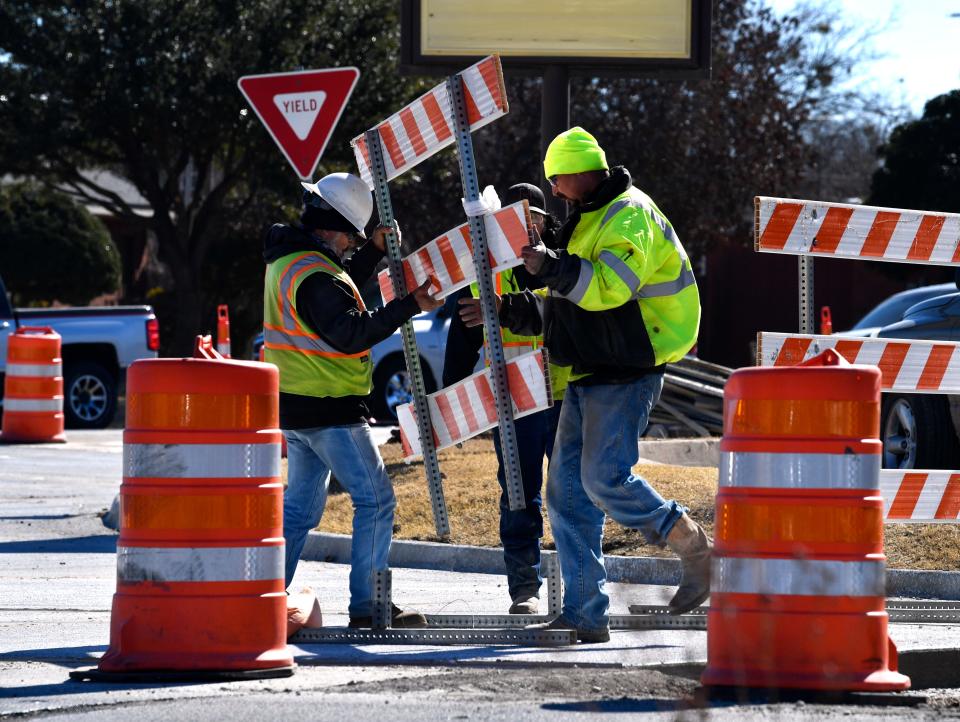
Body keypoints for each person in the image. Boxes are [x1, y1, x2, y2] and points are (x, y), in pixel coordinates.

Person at [459, 128, 709, 643]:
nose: (552, 189)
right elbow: (567, 309)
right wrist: (512, 307)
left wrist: (551, 265)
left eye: (556, 178)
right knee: (567, 497)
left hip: (631, 364)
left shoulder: (628, 214)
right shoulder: (587, 218)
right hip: (592, 367)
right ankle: (585, 614)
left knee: (602, 479)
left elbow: (606, 292)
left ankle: (692, 544)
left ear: (578, 171)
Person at [263, 172, 441, 629]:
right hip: (331, 408)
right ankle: (370, 606)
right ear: (330, 227)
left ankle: (260, 594)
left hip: (298, 406)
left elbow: (338, 289)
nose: (349, 245)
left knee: (300, 509)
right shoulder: (315, 273)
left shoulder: (293, 261)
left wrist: (374, 252)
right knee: (376, 500)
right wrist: (409, 305)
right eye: (350, 237)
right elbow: (347, 330)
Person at [442, 183, 568, 616]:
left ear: (547, 223)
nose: (528, 227)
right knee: (519, 495)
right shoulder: (486, 273)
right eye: (518, 219)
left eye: (535, 218)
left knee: (572, 494)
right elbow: (461, 337)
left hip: (564, 395)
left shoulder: (563, 261)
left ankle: (582, 584)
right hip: (516, 403)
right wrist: (448, 408)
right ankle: (525, 588)